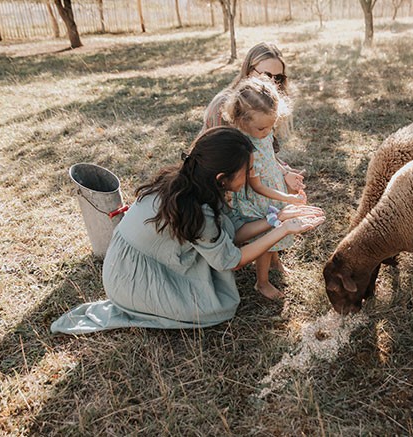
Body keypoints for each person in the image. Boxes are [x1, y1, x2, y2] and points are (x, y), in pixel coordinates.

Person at [51, 127, 325, 335]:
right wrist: (284, 229)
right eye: (248, 170)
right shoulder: (197, 209)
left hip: (133, 259)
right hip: (129, 277)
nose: (253, 175)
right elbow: (232, 259)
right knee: (218, 308)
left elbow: (232, 232)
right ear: (222, 178)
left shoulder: (192, 181)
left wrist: (277, 217)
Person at [222, 77, 308, 300]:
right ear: (241, 121)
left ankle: (275, 262)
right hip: (259, 198)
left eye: (272, 125)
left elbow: (272, 159)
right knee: (269, 234)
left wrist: (286, 174)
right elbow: (257, 186)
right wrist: (286, 199)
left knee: (276, 232)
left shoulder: (264, 133)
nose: (268, 131)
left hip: (273, 189)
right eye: (262, 127)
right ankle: (262, 282)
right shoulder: (245, 146)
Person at [201, 42, 305, 194]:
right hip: (223, 179)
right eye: (266, 75)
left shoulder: (266, 103)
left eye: (279, 78)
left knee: (294, 188)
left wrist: (284, 172)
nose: (273, 83)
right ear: (248, 71)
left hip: (251, 171)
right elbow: (217, 162)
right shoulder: (223, 105)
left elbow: (263, 150)